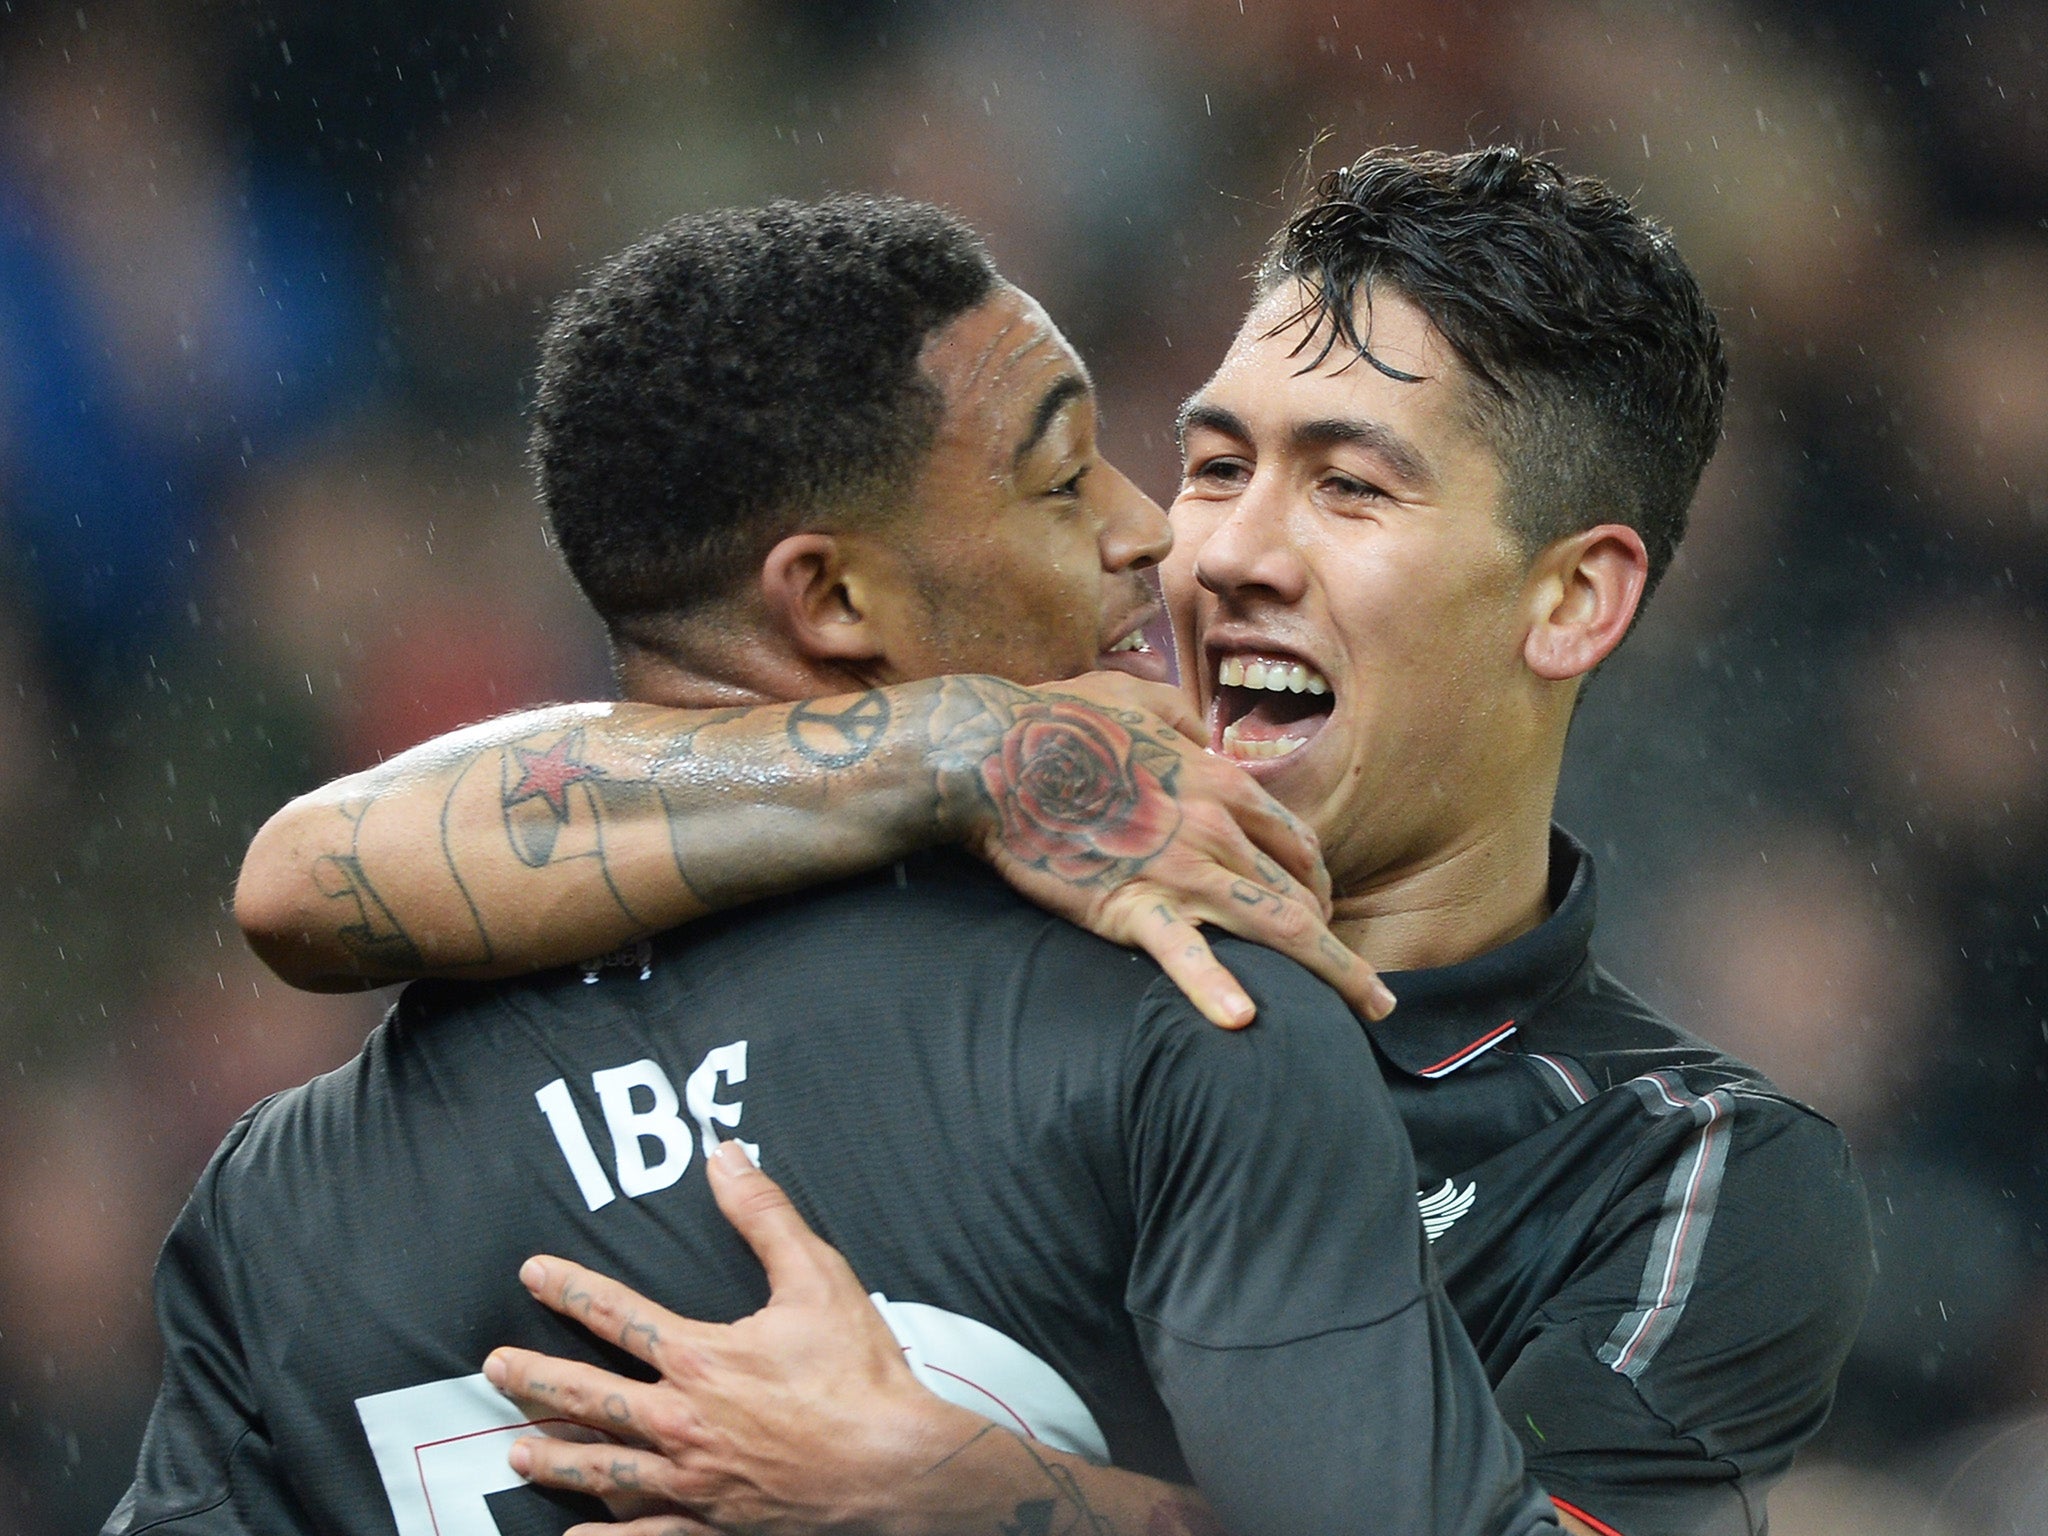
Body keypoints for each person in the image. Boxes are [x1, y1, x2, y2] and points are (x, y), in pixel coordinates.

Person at [233, 147, 1877, 1536]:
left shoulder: (1679, 1174)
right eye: (1217, 461)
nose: (1218, 547)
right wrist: (953, 743)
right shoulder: (946, 907)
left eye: (1351, 489)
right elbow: (315, 874)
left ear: (1572, 597)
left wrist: (988, 1499)